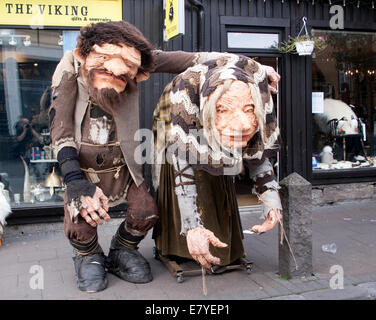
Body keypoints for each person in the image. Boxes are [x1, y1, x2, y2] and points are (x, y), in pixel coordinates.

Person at [49, 20, 281, 293]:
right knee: (82, 218)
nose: (116, 69)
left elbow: (193, 58)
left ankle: (123, 250)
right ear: (83, 54)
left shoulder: (136, 59)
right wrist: (74, 178)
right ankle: (88, 256)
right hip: (83, 163)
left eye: (126, 68)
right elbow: (60, 125)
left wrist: (250, 66)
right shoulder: (70, 65)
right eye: (103, 59)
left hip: (122, 162)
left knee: (146, 210)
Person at [152, 54, 282, 269]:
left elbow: (256, 152)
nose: (241, 124)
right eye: (223, 109)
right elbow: (182, 165)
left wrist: (271, 202)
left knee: (221, 173)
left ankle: (225, 247)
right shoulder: (185, 96)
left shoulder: (255, 86)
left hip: (216, 134)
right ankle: (179, 247)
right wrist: (192, 227)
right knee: (191, 173)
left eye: (249, 110)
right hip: (178, 132)